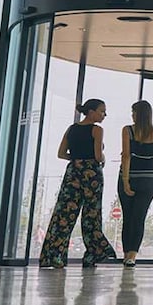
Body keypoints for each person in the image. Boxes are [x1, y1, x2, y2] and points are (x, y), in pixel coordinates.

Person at [39, 99, 116, 269]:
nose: (104, 115)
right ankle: (93, 254)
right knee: (91, 215)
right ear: (91, 111)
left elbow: (61, 153)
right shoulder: (97, 129)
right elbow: (97, 156)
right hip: (91, 174)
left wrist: (76, 159)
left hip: (73, 172)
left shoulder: (71, 129)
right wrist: (103, 158)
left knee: (64, 214)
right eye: (102, 111)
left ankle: (54, 255)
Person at [118, 100, 153, 268]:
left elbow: (126, 156)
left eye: (133, 112)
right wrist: (150, 178)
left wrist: (126, 181)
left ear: (139, 114)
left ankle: (126, 254)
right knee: (139, 218)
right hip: (148, 180)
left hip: (129, 177)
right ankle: (132, 256)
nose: (132, 115)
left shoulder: (128, 131)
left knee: (128, 218)